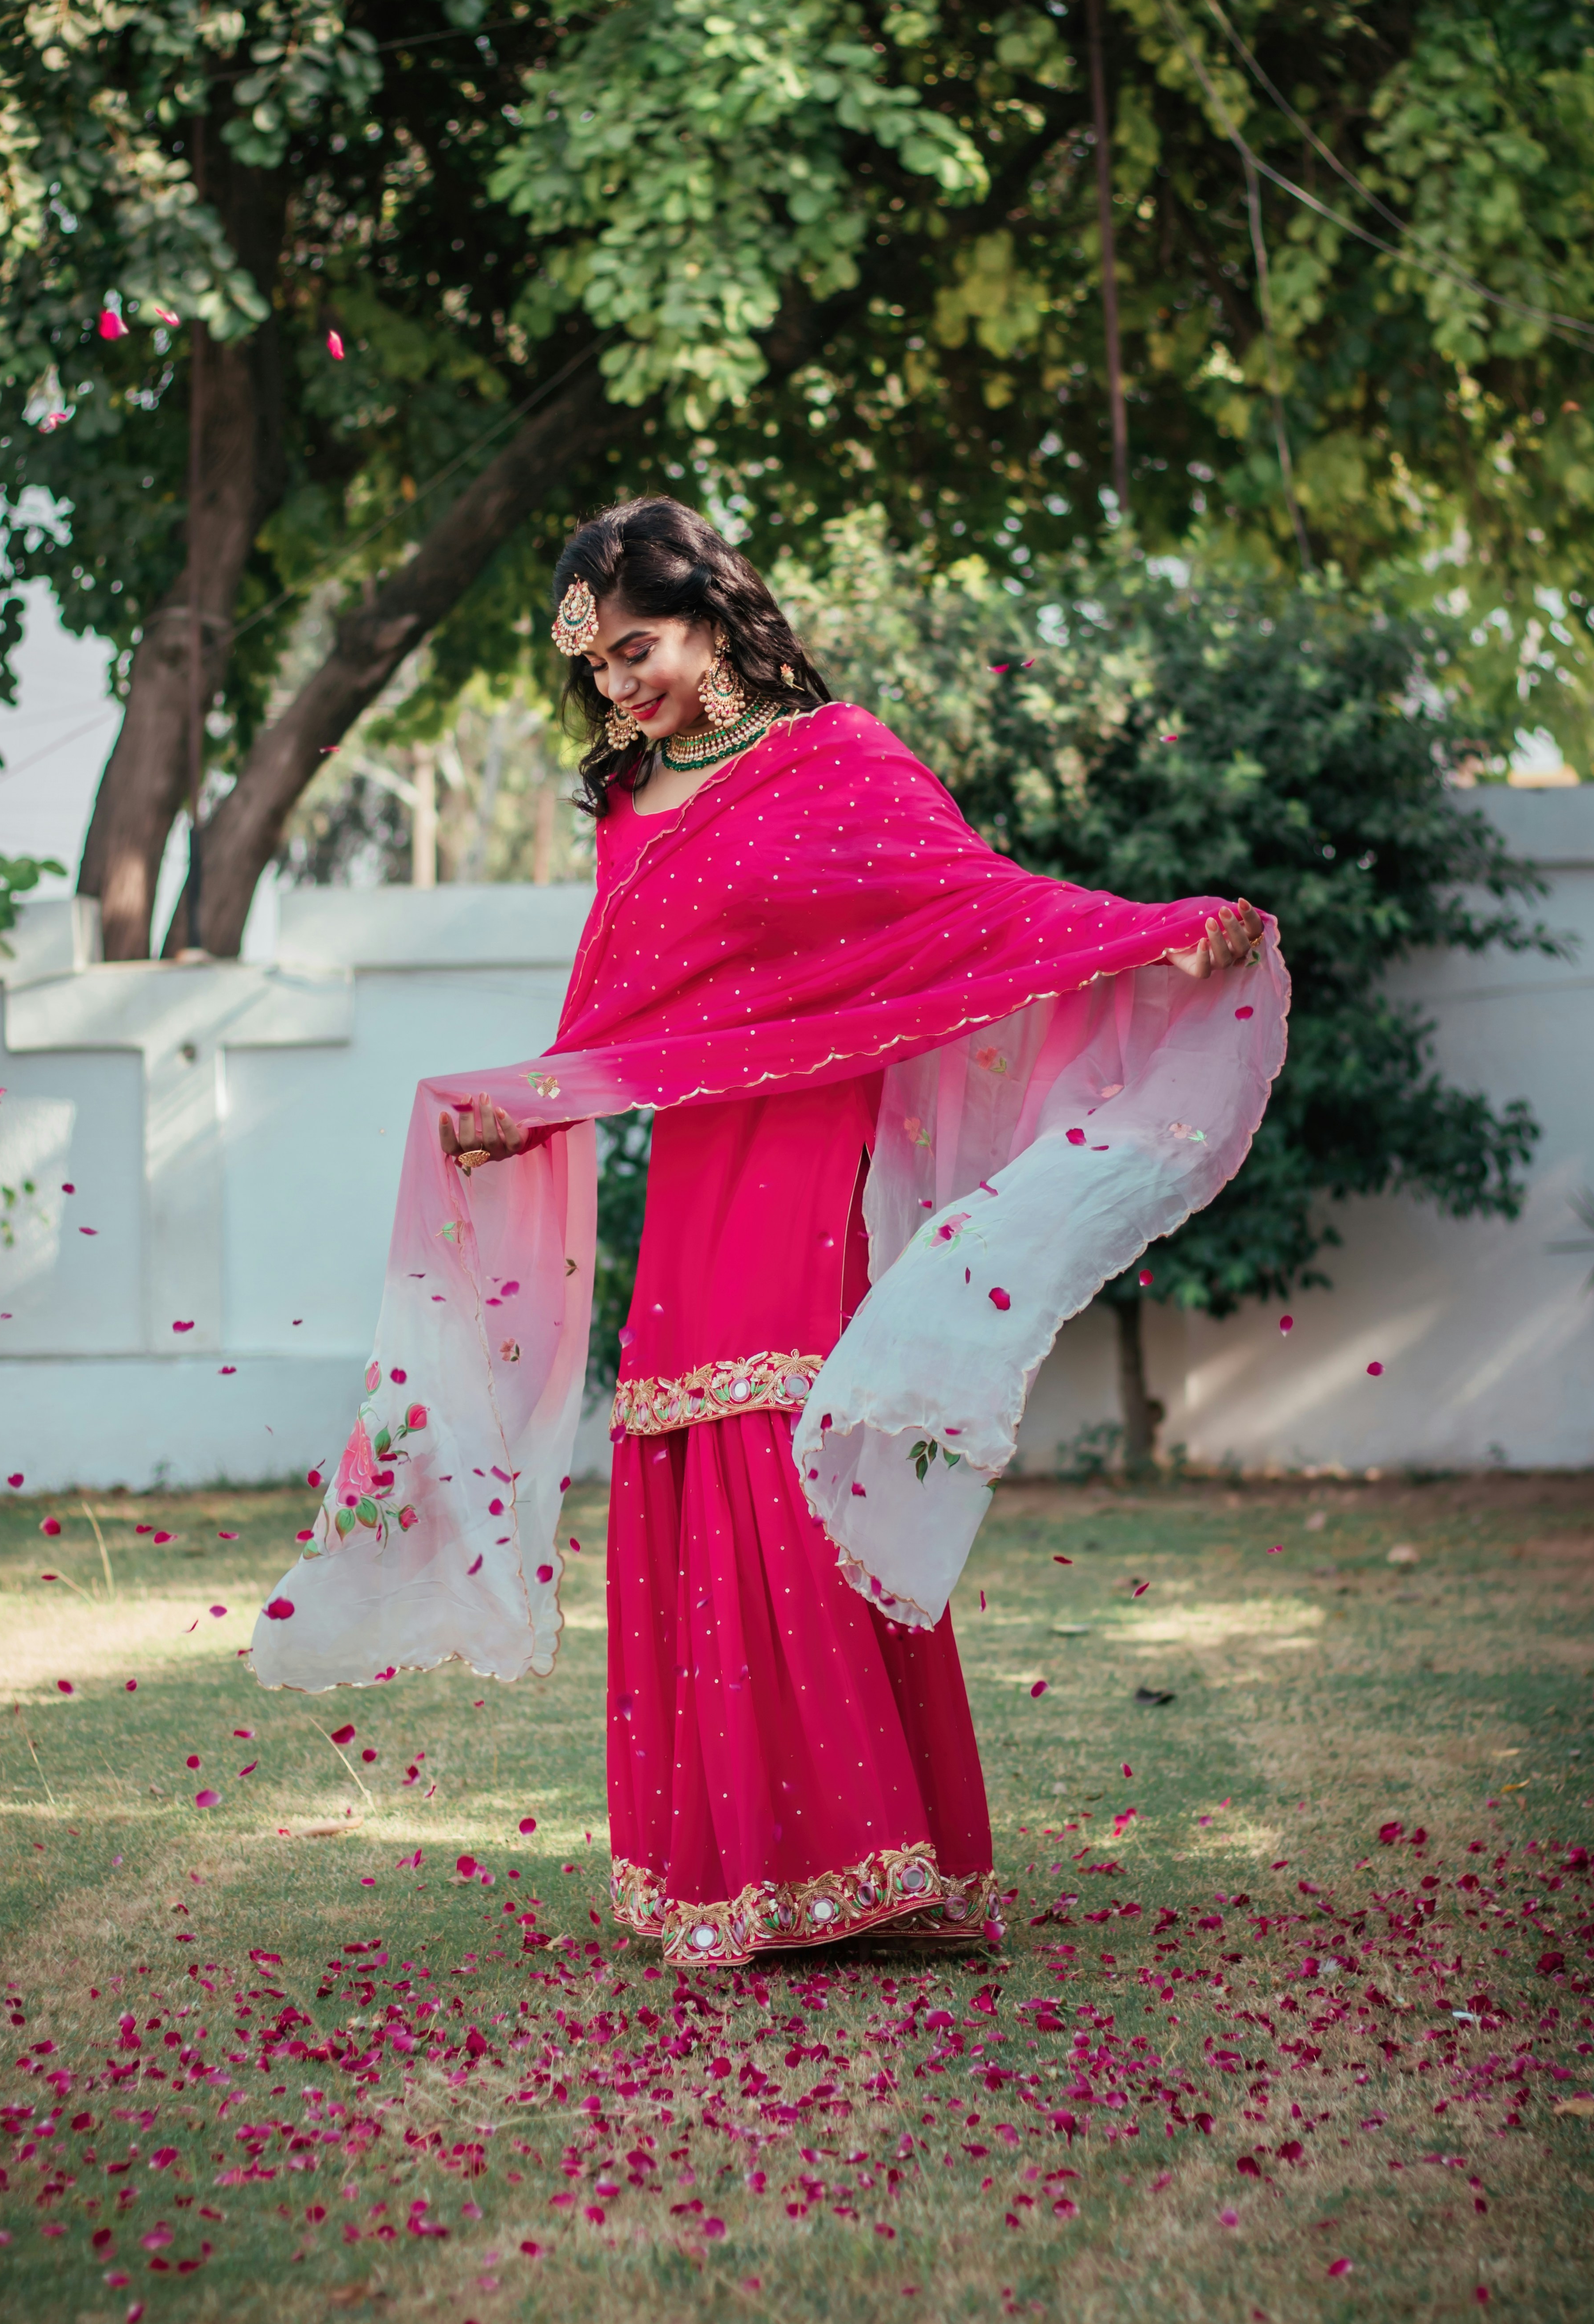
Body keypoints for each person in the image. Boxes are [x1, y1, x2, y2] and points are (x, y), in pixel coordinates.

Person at [253, 498, 1285, 1976]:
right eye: (601, 665)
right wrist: (528, 1114)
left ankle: (879, 1861)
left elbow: (972, 913)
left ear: (717, 618)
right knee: (689, 1440)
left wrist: (1156, 932)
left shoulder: (839, 761)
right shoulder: (630, 806)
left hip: (815, 1145)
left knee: (783, 1438)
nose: (623, 685)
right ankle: (744, 1871)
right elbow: (617, 1023)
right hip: (695, 1159)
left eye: (642, 647)